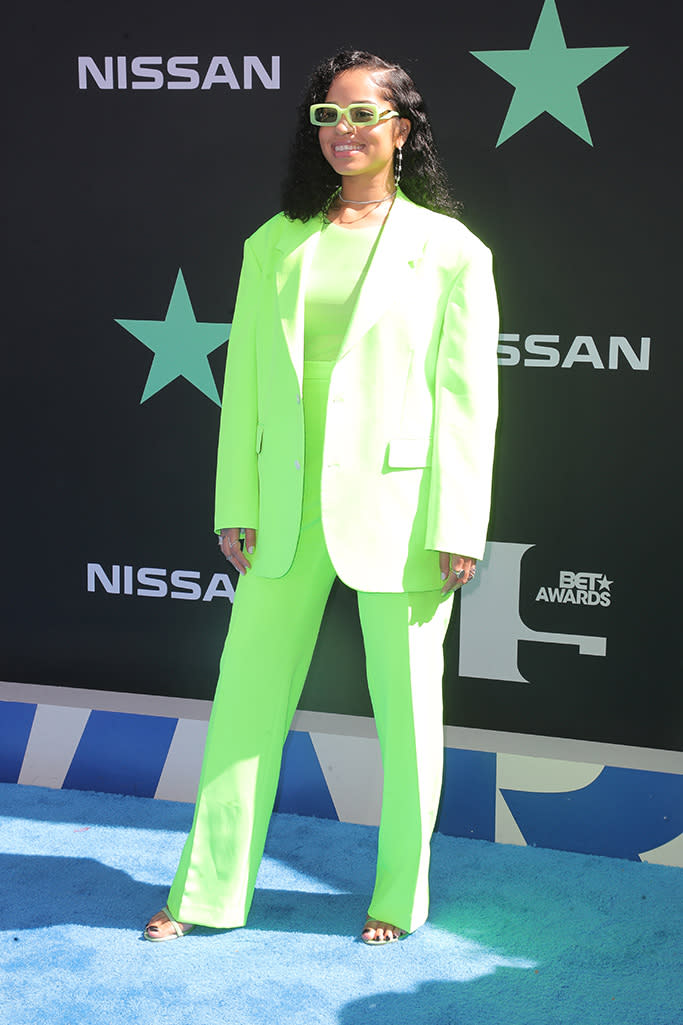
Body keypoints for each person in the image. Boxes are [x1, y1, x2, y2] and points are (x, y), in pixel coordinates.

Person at [144, 49, 498, 946]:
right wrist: (237, 499)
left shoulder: (451, 251)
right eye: (327, 116)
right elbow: (250, 386)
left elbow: (467, 403)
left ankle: (398, 896)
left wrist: (459, 522)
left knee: (409, 716)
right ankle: (203, 894)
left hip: (404, 510)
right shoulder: (273, 243)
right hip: (284, 504)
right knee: (244, 701)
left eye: (361, 115)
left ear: (400, 130)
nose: (343, 132)